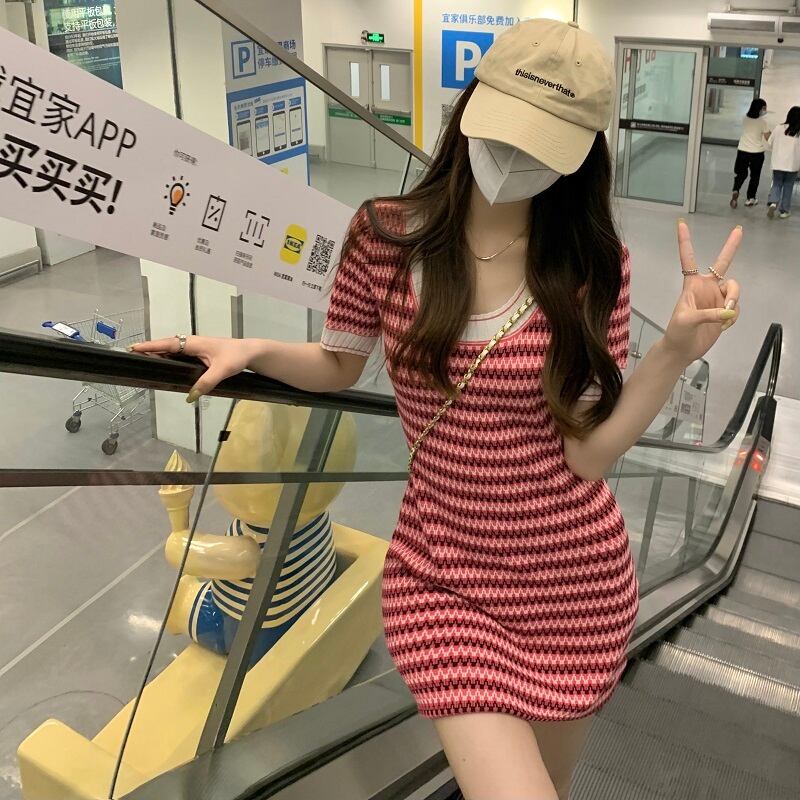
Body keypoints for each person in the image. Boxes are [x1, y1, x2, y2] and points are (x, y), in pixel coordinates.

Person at [130, 19, 742, 800]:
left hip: (573, 588)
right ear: (469, 108)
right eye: (505, 126)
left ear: (583, 152)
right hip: (443, 577)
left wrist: (674, 352)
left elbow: (588, 454)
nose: (512, 156)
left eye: (542, 143)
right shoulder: (383, 236)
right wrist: (252, 350)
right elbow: (339, 361)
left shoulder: (595, 266)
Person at [730, 98, 770, 208]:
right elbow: (768, 138)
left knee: (741, 174)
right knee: (755, 176)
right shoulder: (763, 122)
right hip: (757, 153)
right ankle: (750, 198)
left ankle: (736, 189)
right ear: (759, 108)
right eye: (764, 108)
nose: (765, 111)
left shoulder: (744, 118)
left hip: (742, 150)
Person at [766, 105, 800, 219]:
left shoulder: (779, 128)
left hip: (778, 163)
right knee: (788, 186)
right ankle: (784, 210)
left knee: (777, 183)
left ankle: (773, 202)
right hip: (792, 165)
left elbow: (769, 143)